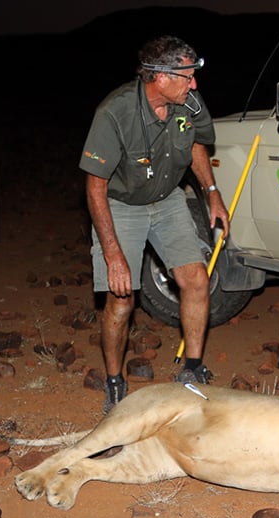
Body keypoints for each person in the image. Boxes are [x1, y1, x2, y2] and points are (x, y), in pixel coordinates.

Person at [80, 35, 229, 413]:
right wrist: (114, 255)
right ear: (160, 77)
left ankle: (192, 369)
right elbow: (95, 186)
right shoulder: (115, 112)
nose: (194, 83)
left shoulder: (188, 102)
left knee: (195, 279)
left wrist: (211, 192)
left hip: (168, 200)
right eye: (186, 76)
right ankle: (115, 381)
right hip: (121, 205)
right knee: (121, 299)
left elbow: (196, 144)